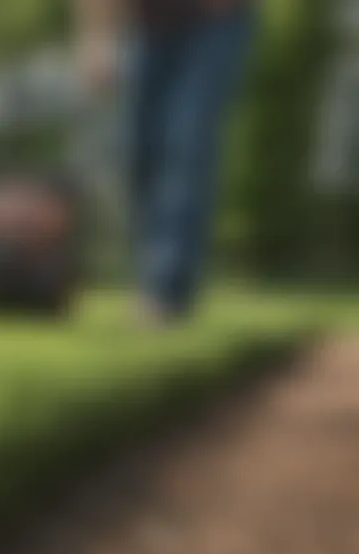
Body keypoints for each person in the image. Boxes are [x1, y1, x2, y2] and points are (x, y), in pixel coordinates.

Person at [76, 0, 257, 323]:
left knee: (186, 145)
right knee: (137, 153)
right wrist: (97, 41)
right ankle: (149, 279)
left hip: (214, 24)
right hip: (147, 29)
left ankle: (166, 290)